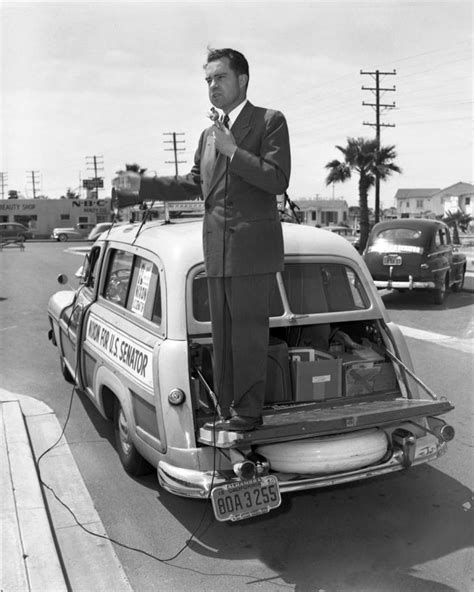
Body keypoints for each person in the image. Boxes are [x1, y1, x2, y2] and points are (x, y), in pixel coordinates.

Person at [115, 47, 291, 431]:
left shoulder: (269, 121)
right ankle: (227, 409)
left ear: (241, 80)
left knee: (247, 338)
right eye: (208, 79)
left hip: (251, 253)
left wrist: (235, 151)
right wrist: (137, 185)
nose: (212, 85)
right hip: (216, 250)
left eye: (220, 77)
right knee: (223, 338)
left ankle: (247, 414)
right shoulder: (208, 135)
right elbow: (194, 182)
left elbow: (278, 179)